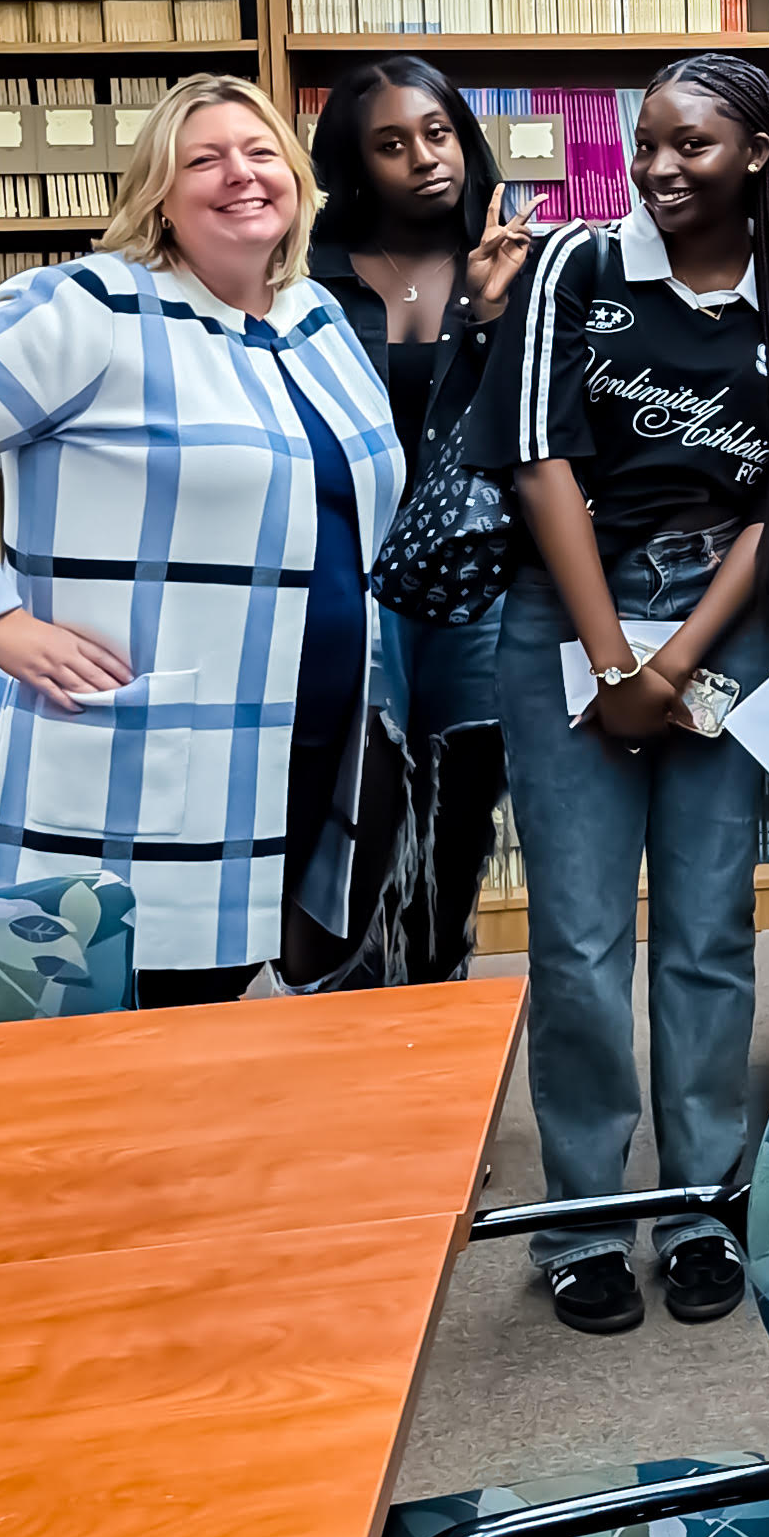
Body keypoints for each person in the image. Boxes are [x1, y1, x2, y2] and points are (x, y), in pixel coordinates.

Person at [0, 76, 400, 1004]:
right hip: (145, 744)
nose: (241, 175)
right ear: (159, 197)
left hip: (310, 740)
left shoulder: (316, 319)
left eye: (261, 154)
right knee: (125, 1017)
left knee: (242, 1015)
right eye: (204, 159)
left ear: (297, 177)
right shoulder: (92, 309)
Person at [469, 52, 769, 1338]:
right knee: (580, 940)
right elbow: (538, 462)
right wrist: (615, 662)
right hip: (571, 615)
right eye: (649, 143)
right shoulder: (575, 269)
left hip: (725, 632)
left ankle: (699, 1199)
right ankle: (580, 1221)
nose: (663, 167)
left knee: (715, 934)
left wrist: (675, 664)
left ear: (757, 155)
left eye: (696, 145)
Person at [306, 57, 536, 986]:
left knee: (461, 799)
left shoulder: (522, 257)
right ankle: (351, 1000)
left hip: (472, 572)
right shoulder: (306, 271)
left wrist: (486, 313)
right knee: (361, 796)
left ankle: (437, 982)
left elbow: (531, 420)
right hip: (348, 570)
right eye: (392, 144)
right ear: (357, 164)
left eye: (437, 134)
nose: (424, 159)